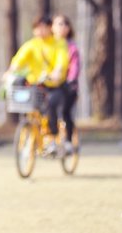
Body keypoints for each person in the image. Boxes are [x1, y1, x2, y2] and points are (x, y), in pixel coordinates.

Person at [4, 15, 70, 154]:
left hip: (53, 85)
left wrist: (57, 72)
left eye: (42, 27)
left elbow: (61, 60)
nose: (39, 31)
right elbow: (19, 60)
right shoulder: (31, 45)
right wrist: (10, 71)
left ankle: (51, 138)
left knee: (51, 104)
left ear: (49, 28)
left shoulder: (58, 43)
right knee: (27, 104)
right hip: (35, 84)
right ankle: (30, 131)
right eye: (37, 28)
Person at [52, 14, 80, 155]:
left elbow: (74, 66)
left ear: (69, 28)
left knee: (65, 111)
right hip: (51, 85)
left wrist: (71, 79)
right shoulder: (49, 45)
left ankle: (68, 141)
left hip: (67, 86)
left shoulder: (71, 47)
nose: (61, 27)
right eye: (57, 24)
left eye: (64, 24)